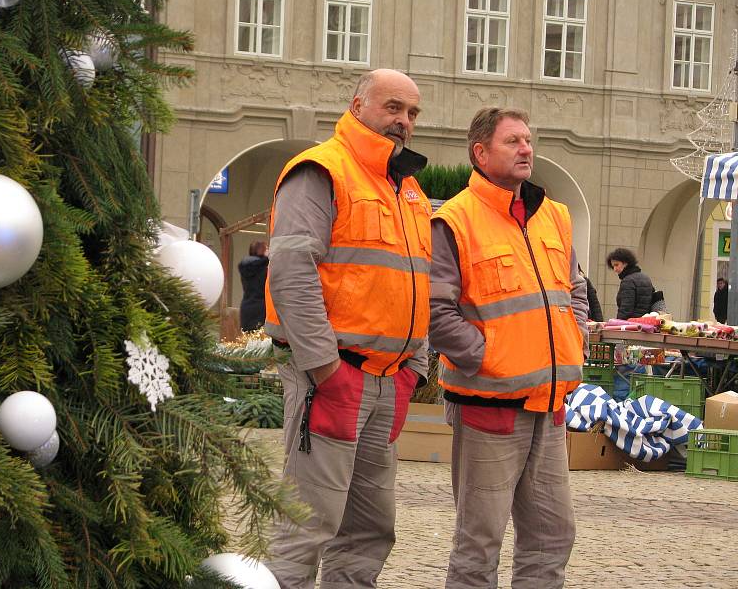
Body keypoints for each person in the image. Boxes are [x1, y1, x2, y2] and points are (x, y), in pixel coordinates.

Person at [264, 69, 431, 588]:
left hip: (387, 381)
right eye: (393, 108)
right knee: (306, 525)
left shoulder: (407, 191)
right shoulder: (321, 170)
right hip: (335, 378)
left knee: (369, 531)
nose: (403, 121)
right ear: (358, 105)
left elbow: (415, 283)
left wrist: (415, 369)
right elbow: (292, 272)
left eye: (412, 113)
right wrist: (325, 368)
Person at [429, 106, 587, 588]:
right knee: (479, 542)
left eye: (528, 140)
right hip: (488, 406)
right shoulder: (453, 220)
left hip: (549, 405)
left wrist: (571, 340)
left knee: (553, 535)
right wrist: (489, 357)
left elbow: (576, 291)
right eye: (512, 141)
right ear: (480, 153)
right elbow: (435, 311)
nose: (526, 149)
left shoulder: (554, 216)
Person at [606, 247, 655, 320]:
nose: (615, 269)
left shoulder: (628, 281)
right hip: (647, 323)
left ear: (625, 263)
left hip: (632, 325)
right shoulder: (646, 278)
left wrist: (617, 323)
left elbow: (626, 309)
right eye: (613, 266)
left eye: (616, 265)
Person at [237, 240, 269, 332]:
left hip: (246, 307)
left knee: (249, 342)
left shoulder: (244, 267)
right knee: (261, 343)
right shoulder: (264, 269)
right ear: (263, 251)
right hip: (262, 307)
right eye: (266, 248)